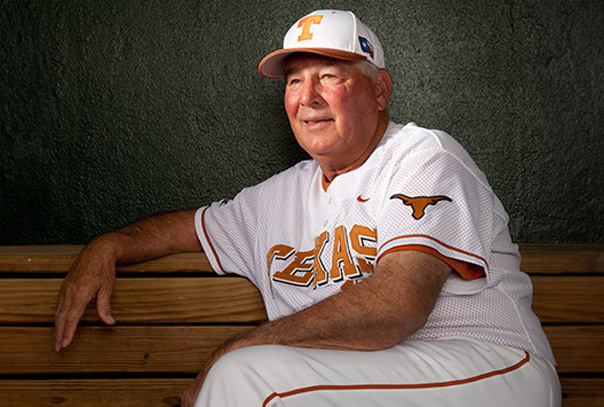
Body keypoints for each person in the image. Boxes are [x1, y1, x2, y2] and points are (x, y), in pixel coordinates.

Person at [54, 9, 561, 407]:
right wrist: (110, 245)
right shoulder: (280, 196)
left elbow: (398, 305)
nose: (308, 96)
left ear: (379, 90)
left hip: (489, 368)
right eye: (295, 80)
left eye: (329, 75)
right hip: (368, 380)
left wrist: (240, 346)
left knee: (248, 377)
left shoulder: (423, 156)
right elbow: (183, 229)